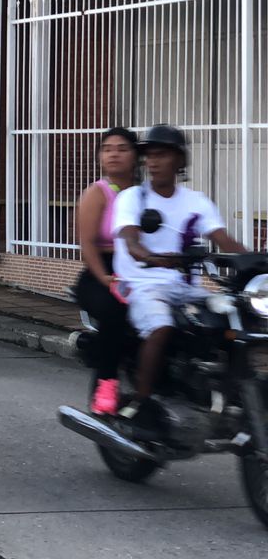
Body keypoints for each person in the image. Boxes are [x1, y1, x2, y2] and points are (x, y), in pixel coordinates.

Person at [112, 124, 245, 432]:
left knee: (236, 322)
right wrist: (151, 258)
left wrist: (256, 262)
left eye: (162, 155)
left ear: (180, 161)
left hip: (186, 290)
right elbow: (132, 242)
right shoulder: (133, 198)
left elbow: (226, 243)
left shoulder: (197, 202)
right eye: (149, 156)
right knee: (160, 327)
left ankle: (226, 396)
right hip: (143, 285)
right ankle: (142, 406)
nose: (153, 162)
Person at [74, 128, 138, 416]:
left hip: (139, 269)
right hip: (102, 270)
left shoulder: (144, 194)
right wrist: (105, 278)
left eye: (122, 148)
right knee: (115, 310)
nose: (114, 153)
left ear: (136, 156)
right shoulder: (97, 193)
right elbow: (86, 244)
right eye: (108, 148)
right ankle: (107, 383)